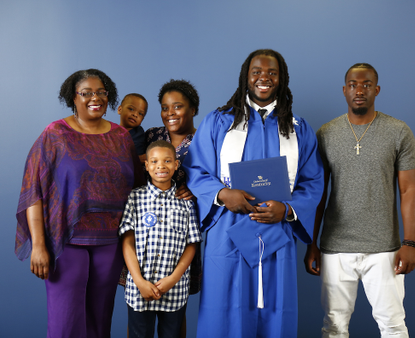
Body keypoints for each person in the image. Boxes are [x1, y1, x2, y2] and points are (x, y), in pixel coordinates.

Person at [182, 49, 324, 338]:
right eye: (256, 72)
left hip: (276, 229)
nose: (264, 78)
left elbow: (313, 181)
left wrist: (287, 210)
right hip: (227, 228)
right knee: (222, 311)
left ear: (282, 79)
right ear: (246, 78)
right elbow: (194, 168)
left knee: (275, 311)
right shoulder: (220, 122)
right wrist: (222, 194)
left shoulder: (298, 129)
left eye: (272, 73)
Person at [15, 69, 145, 338]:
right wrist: (38, 244)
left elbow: (138, 187)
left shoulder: (121, 137)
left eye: (101, 92)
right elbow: (33, 191)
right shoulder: (55, 135)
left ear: (109, 96)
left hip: (111, 242)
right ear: (73, 97)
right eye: (86, 93)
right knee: (66, 325)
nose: (94, 98)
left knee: (99, 324)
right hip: (66, 242)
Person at [304, 63, 415, 338]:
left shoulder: (398, 131)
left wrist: (410, 243)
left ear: (376, 90)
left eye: (366, 85)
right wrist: (312, 244)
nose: (360, 90)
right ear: (344, 90)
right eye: (354, 85)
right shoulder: (326, 134)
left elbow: (410, 190)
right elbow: (317, 194)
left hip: (384, 249)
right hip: (335, 248)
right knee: (333, 327)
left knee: (392, 325)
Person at [119, 140, 202, 338]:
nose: (161, 166)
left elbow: (192, 244)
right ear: (146, 166)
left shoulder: (187, 203)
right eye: (154, 161)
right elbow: (127, 242)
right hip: (139, 288)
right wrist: (139, 281)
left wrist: (173, 279)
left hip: (174, 289)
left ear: (176, 165)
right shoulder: (135, 198)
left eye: (167, 161)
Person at [146, 79, 201, 337]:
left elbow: (219, 179)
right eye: (165, 107)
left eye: (177, 106)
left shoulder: (204, 141)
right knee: (140, 309)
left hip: (182, 232)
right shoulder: (153, 136)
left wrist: (197, 191)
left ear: (193, 108)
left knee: (176, 308)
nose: (170, 113)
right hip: (147, 229)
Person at [118, 93, 148, 162]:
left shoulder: (138, 133)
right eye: (131, 109)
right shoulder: (110, 131)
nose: (135, 114)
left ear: (142, 119)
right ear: (120, 109)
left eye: (140, 114)